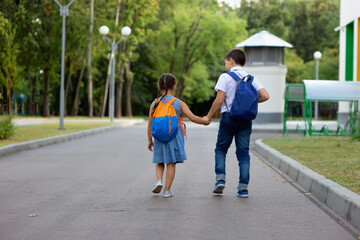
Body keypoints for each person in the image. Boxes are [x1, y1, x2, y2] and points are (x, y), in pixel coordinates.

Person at [204, 49, 269, 198]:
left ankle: (220, 180)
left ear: (231, 61)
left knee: (221, 149)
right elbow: (265, 96)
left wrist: (208, 116)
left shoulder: (225, 77)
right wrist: (251, 102)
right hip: (246, 120)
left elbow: (219, 100)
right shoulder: (251, 78)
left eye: (226, 62)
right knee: (243, 153)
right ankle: (243, 189)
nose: (225, 64)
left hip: (228, 117)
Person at [147, 73, 209, 198]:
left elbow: (150, 123)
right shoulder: (178, 102)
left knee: (159, 160)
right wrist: (205, 121)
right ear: (174, 86)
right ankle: (167, 190)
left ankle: (159, 181)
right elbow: (192, 117)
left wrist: (149, 139)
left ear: (159, 86)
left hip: (158, 136)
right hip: (173, 135)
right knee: (171, 162)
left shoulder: (155, 103)